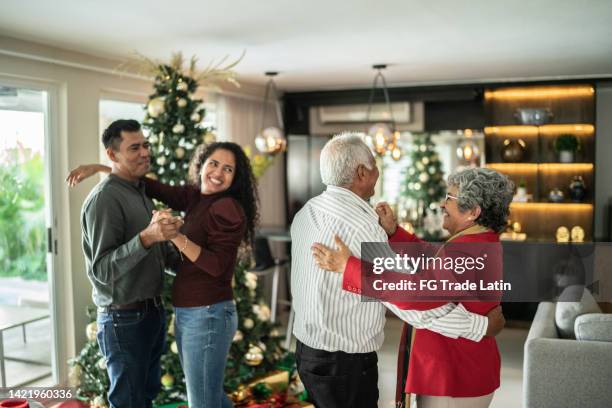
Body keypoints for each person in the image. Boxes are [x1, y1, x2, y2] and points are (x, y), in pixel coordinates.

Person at [290, 133, 505, 408]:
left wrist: (384, 240)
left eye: (450, 197)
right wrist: (479, 327)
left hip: (307, 352)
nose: (442, 203)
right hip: (345, 363)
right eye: (375, 165)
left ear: (473, 211)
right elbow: (408, 300)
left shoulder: (307, 212)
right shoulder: (364, 226)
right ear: (361, 173)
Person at [69, 140, 259, 408]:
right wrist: (103, 167)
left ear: (235, 177)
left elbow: (218, 267)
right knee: (210, 397)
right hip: (193, 313)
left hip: (208, 314)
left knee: (203, 401)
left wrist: (176, 237)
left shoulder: (226, 207)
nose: (217, 172)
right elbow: (152, 185)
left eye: (228, 169)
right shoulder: (196, 197)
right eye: (213, 163)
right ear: (201, 165)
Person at [78, 119, 182, 408]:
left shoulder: (140, 193)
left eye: (145, 145)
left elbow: (158, 255)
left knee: (145, 398)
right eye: (134, 147)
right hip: (123, 321)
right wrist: (147, 238)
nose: (145, 152)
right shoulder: (104, 199)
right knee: (128, 403)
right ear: (112, 155)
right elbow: (101, 272)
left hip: (152, 315)